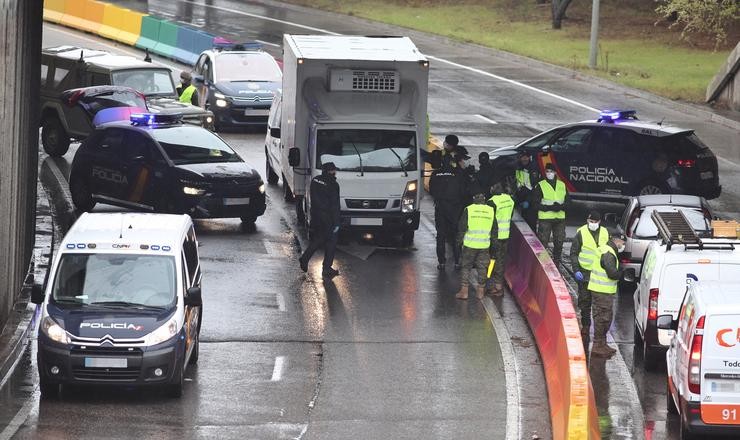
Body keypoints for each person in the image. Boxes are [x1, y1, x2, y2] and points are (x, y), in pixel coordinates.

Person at [569, 211, 609, 336]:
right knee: (585, 302)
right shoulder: (581, 232)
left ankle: (599, 332)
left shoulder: (604, 233)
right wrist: (576, 270)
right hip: (584, 274)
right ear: (587, 220)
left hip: (600, 276)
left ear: (599, 222)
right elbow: (574, 253)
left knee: (599, 305)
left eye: (595, 222)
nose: (593, 224)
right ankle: (586, 326)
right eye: (591, 222)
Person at [299, 162, 341, 279]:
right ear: (331, 171)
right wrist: (337, 222)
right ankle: (326, 268)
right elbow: (334, 205)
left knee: (318, 239)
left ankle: (306, 259)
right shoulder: (333, 184)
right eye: (334, 170)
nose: (335, 172)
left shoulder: (315, 180)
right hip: (328, 218)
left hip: (316, 216)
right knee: (331, 242)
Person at [588, 233, 626, 357]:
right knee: (602, 319)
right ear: (617, 241)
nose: (623, 245)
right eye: (623, 242)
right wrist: (622, 272)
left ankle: (602, 344)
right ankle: (597, 345)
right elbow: (612, 273)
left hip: (603, 291)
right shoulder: (608, 253)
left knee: (606, 317)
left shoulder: (608, 250)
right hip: (601, 292)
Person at [455, 192, 495, 300]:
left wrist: (458, 242)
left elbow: (462, 227)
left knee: (466, 267)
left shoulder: (469, 209)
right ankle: (480, 292)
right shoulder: (490, 210)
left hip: (470, 245)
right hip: (484, 245)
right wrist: (494, 245)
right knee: (482, 267)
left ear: (474, 199)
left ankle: (464, 292)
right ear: (484, 200)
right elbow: (494, 229)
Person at [429, 162, 465, 270]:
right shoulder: (457, 174)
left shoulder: (435, 174)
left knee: (440, 236)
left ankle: (441, 262)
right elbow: (463, 191)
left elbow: (431, 190)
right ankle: (457, 262)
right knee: (455, 236)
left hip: (440, 209)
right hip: (454, 209)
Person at [532, 163, 569, 264]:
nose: (549, 173)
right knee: (543, 242)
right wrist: (549, 208)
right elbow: (535, 204)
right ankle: (542, 263)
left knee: (559, 241)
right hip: (545, 219)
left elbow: (568, 202)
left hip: (559, 218)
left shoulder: (562, 185)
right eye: (547, 171)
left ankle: (556, 261)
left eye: (551, 171)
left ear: (555, 173)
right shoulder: (541, 185)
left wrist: (560, 207)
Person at [487, 183, 514, 296]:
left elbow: (489, 220)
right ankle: (498, 285)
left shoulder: (492, 202)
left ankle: (497, 288)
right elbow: (510, 215)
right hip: (505, 234)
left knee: (494, 261)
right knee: (501, 261)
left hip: (495, 236)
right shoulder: (509, 199)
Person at [513, 151, 539, 229]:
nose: (524, 159)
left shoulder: (533, 169)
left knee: (531, 225)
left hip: (530, 202)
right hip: (521, 199)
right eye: (522, 157)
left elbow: (534, 188)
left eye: (526, 157)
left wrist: (528, 201)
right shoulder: (518, 167)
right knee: (522, 226)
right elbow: (517, 183)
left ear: (529, 158)